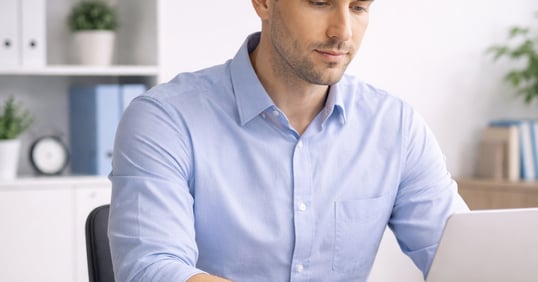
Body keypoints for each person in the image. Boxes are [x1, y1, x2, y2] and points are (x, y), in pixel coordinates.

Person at [108, 0, 469, 281]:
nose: (343, 31)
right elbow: (150, 269)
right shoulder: (166, 118)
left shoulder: (395, 127)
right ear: (264, 3)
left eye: (358, 7)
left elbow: (466, 259)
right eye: (319, 3)